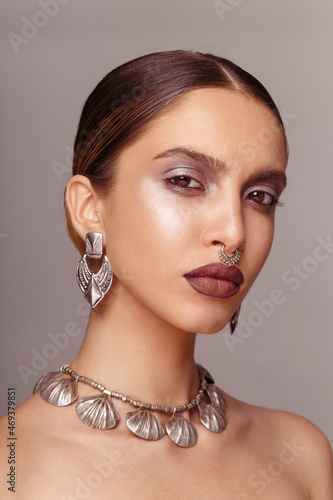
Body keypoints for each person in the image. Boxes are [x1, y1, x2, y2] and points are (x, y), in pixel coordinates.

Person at [0, 50, 332, 499]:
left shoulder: (300, 454)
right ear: (88, 208)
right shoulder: (14, 467)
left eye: (260, 195)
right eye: (185, 181)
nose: (233, 233)